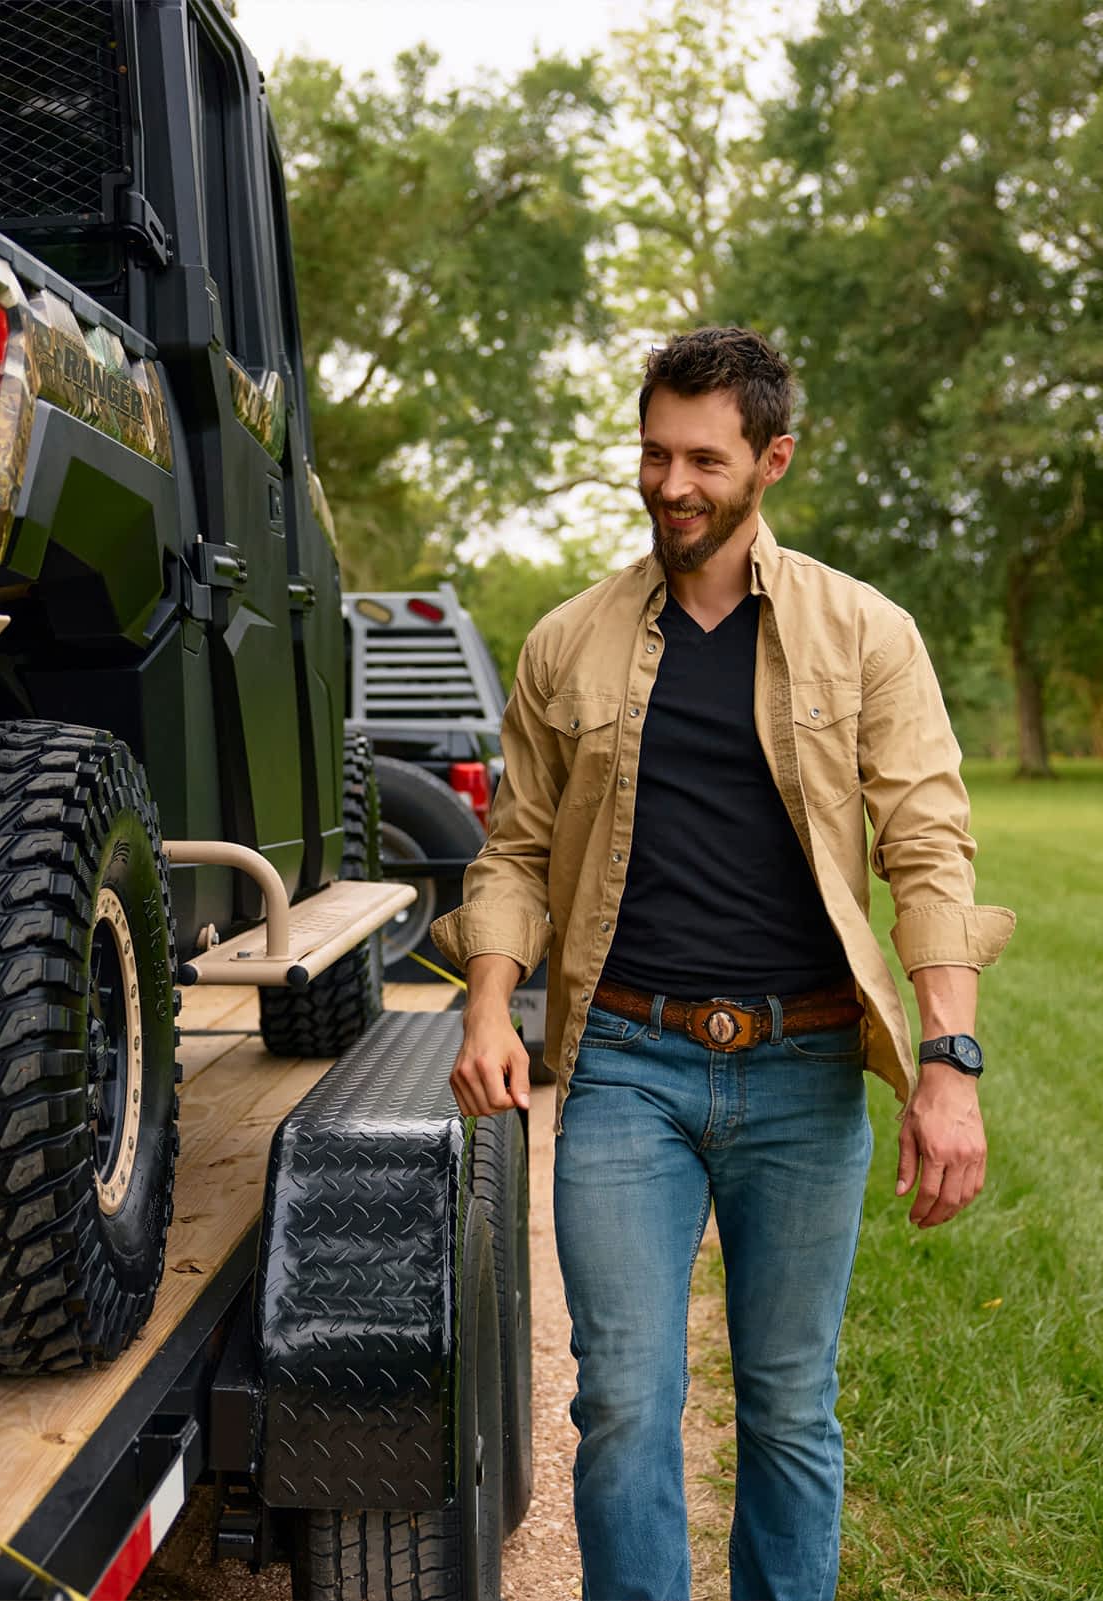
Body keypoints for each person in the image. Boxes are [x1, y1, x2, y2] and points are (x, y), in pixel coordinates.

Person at [434, 327, 1014, 1601]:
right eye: (654, 454)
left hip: (804, 1069)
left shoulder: (866, 632)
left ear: (772, 460)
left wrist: (949, 1059)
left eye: (706, 457)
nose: (673, 483)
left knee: (791, 1410)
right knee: (627, 1405)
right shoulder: (565, 644)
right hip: (628, 1064)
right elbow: (517, 851)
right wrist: (489, 1004)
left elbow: (929, 842)